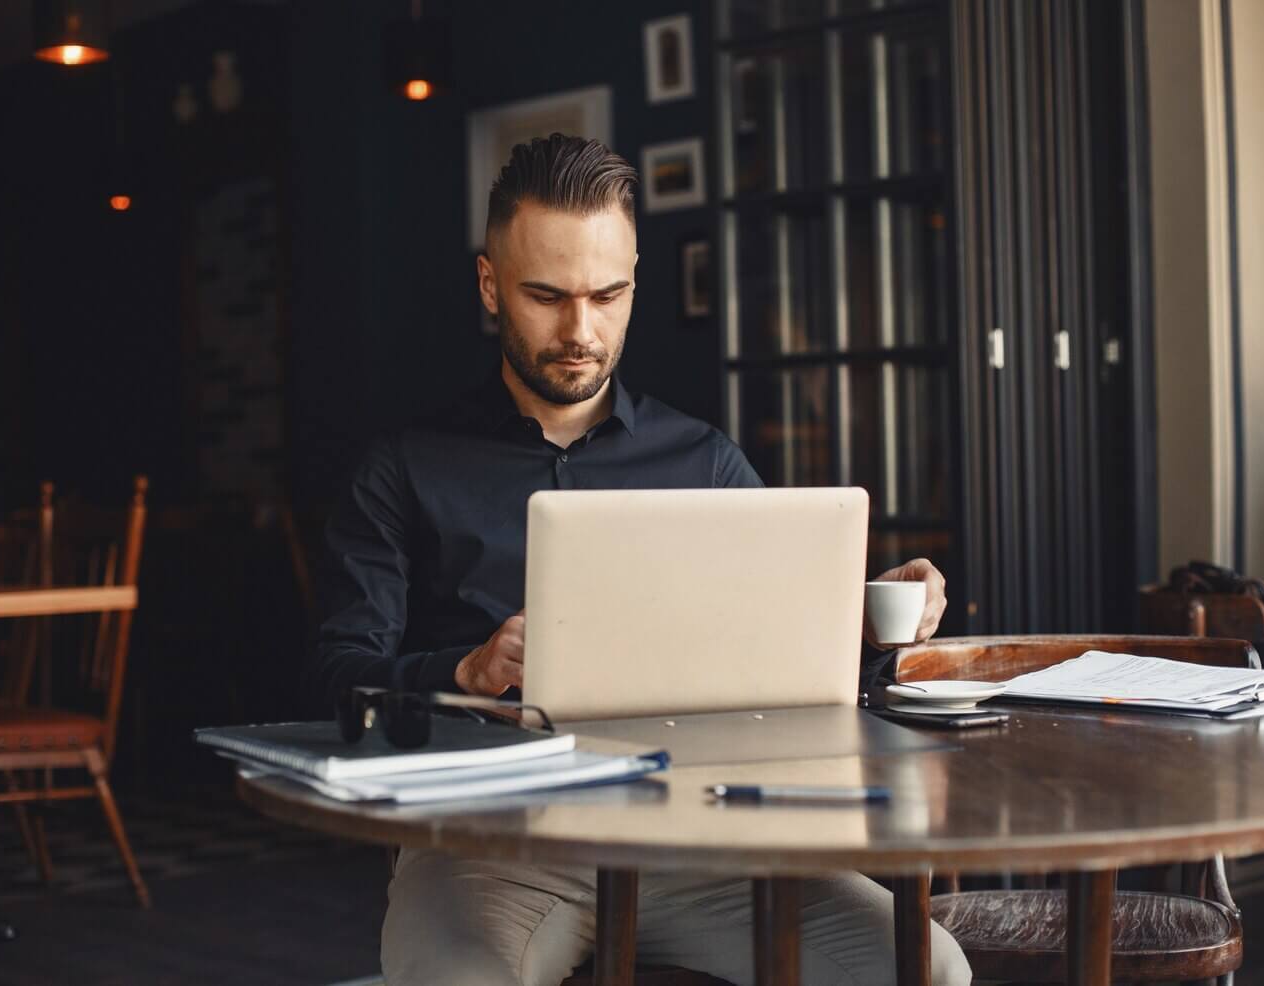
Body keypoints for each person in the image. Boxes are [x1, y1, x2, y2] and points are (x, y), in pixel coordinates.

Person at [308, 134, 970, 986]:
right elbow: (332, 678)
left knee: (932, 970)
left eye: (606, 295)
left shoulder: (706, 461)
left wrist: (882, 629)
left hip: (708, 843)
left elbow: (797, 670)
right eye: (545, 296)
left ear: (633, 285)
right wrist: (465, 672)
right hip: (487, 851)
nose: (579, 331)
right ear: (489, 286)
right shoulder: (403, 469)